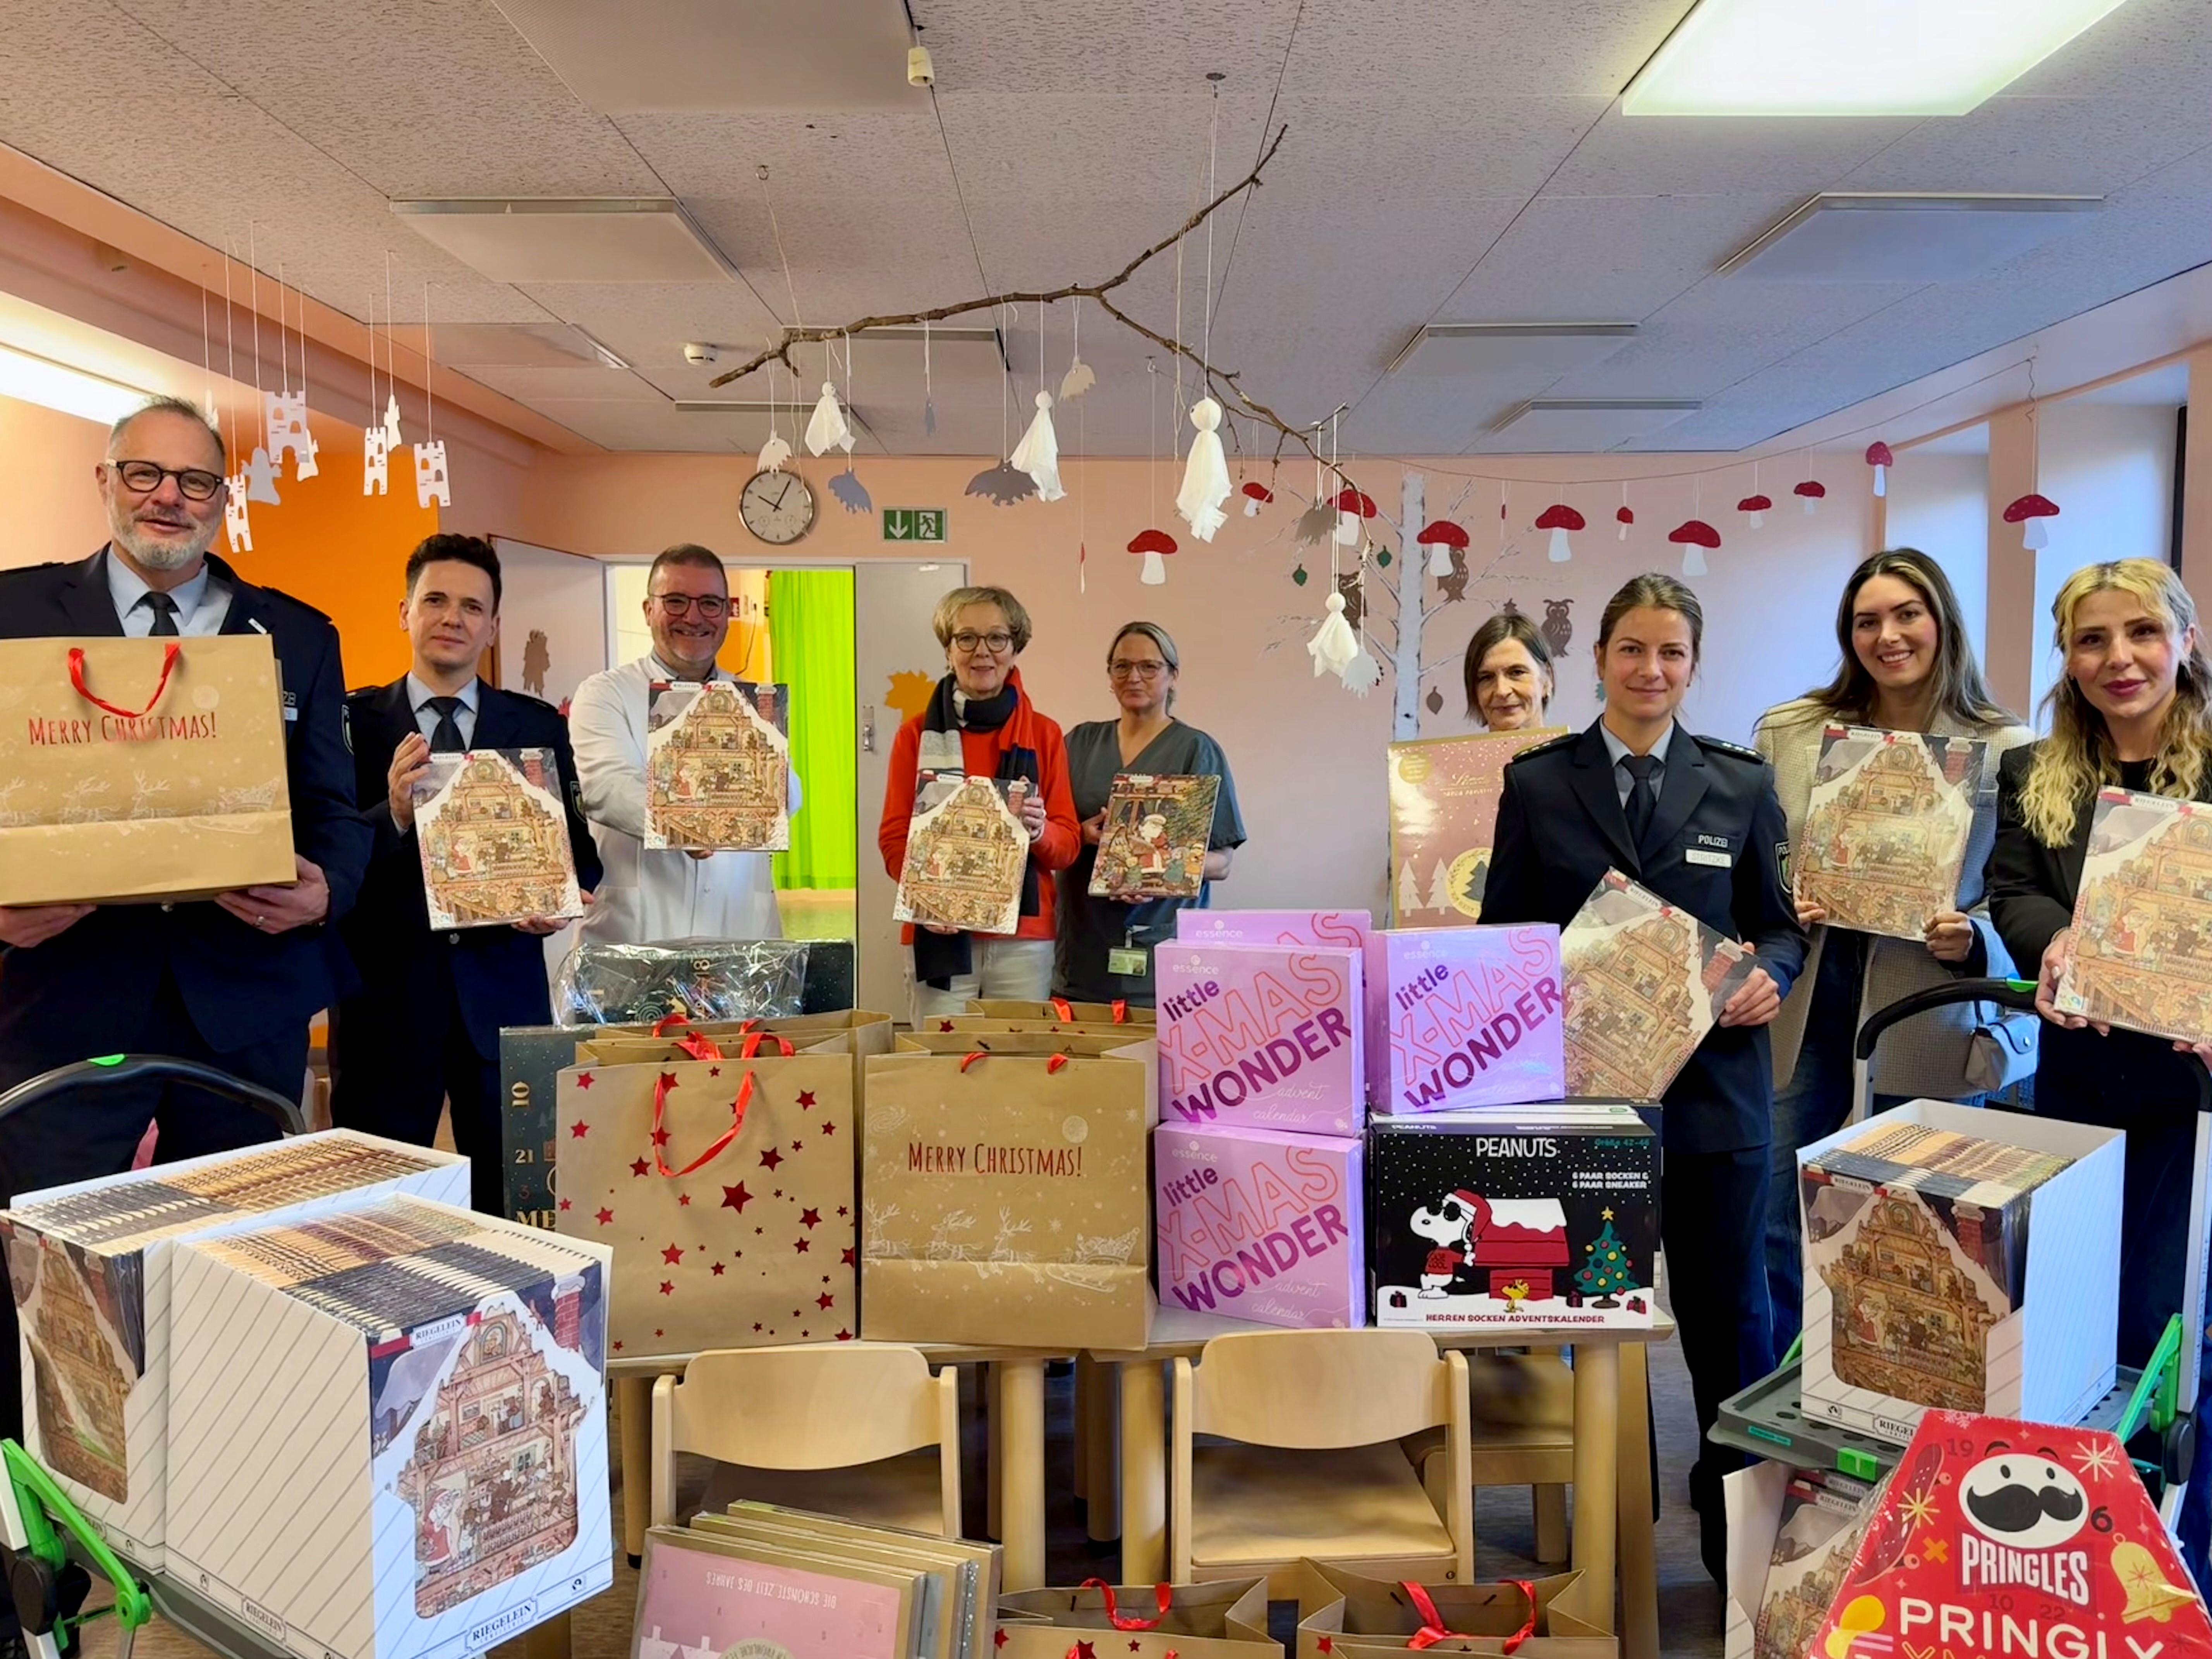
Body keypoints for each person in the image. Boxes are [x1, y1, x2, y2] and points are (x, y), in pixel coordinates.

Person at [0, 395, 371, 1442]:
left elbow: (335, 810)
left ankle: (230, 1492)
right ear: (106, 480)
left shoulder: (295, 635)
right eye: (146, 474)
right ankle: (41, 1536)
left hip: (242, 1002)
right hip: (63, 996)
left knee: (249, 1268)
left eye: (197, 480)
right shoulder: (13, 614)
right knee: (52, 1269)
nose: (171, 497)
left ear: (225, 497)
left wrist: (326, 889)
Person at [1481, 572, 1805, 1585]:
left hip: (1719, 1103)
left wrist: (1771, 975)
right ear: (1601, 659)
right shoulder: (1539, 783)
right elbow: (1506, 937)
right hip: (1588, 1104)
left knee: (1730, 1325)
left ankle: (1737, 1561)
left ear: (1693, 664)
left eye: (1671, 652)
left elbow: (1788, 924)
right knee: (1588, 1326)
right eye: (1632, 649)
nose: (1651, 669)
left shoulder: (1742, 784)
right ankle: (1607, 1553)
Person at [1989, 557, 2212, 1586]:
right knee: (2074, 1336)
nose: (2117, 658)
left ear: (2184, 640)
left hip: (2194, 1105)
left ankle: (2175, 1569)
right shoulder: (2036, 768)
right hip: (2077, 1092)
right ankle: (2080, 1566)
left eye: (2140, 633)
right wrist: (2056, 946)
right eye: (2091, 639)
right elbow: (2014, 887)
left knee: (2170, 1340)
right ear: (2067, 656)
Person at [1752, 549, 2033, 1353]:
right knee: (1774, 1206)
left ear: (1942, 620)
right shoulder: (1794, 732)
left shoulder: (2005, 745)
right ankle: (1775, 1390)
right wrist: (1782, 897)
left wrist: (1972, 936)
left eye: (1907, 614)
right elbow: (1760, 856)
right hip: (1808, 985)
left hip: (1922, 1001)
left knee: (1912, 1223)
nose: (1888, 635)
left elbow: (2021, 892)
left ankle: (1892, 1402)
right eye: (1867, 620)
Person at [328, 534, 601, 1214]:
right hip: (386, 1004)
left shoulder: (534, 725)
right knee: (376, 1205)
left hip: (501, 1000)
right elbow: (325, 860)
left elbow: (580, 852)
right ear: (405, 611)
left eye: (472, 605)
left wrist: (561, 899)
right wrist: (390, 812)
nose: (453, 617)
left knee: (516, 1200)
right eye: (437, 600)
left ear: (493, 625)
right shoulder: (351, 724)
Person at [569, 543, 800, 945]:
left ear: (727, 613)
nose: (693, 617)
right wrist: (683, 824)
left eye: (710, 603)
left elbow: (790, 794)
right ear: (648, 610)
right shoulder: (605, 693)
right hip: (635, 935)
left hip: (738, 932)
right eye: (675, 601)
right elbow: (606, 787)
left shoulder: (753, 702)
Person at [877, 585, 1079, 1022]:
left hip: (1024, 939)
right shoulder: (915, 736)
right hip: (939, 934)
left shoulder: (1044, 734)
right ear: (948, 649)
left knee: (1017, 1067)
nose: (981, 652)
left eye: (997, 638)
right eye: (966, 638)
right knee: (943, 1069)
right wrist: (925, 898)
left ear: (1015, 647)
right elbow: (895, 837)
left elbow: (1068, 846)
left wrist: (1040, 831)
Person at [1054, 622, 1247, 1006]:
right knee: (1080, 1061)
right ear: (1109, 676)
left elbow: (1222, 863)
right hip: (1081, 948)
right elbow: (1051, 834)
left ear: (1173, 676)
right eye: (1122, 667)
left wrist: (1156, 871)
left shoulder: (1196, 750)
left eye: (1149, 667)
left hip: (1163, 948)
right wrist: (1082, 835)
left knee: (1155, 1063)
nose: (1134, 677)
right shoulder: (1079, 743)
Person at [1462, 610, 1557, 731]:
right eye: (1486, 678)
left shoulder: (1581, 750)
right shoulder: (1443, 750)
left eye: (1517, 673)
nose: (1502, 691)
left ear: (1548, 680)